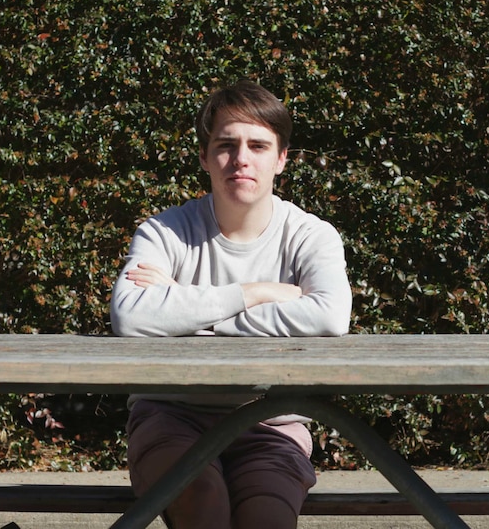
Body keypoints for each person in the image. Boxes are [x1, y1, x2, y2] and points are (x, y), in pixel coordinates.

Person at [110, 79, 352, 528]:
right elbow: (130, 314)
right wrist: (256, 292)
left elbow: (330, 315)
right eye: (225, 144)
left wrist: (182, 316)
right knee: (203, 504)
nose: (241, 158)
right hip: (170, 415)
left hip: (272, 425)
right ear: (204, 157)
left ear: (281, 159)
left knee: (267, 519)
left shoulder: (311, 235)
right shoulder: (164, 232)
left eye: (258, 145)